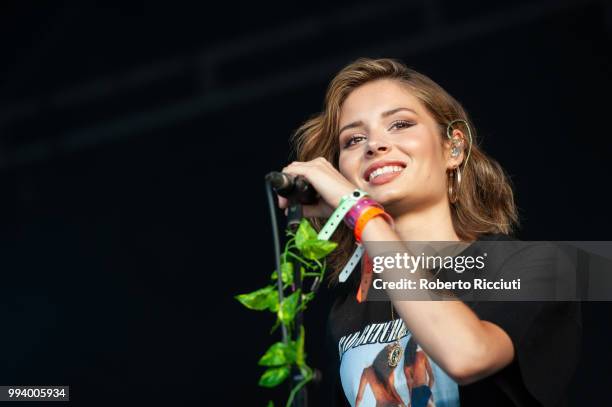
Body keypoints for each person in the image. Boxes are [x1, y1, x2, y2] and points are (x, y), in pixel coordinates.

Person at [277, 58, 581, 406]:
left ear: (454, 147)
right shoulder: (348, 310)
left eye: (400, 123)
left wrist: (362, 214)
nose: (373, 145)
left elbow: (468, 356)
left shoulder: (532, 266)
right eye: (353, 139)